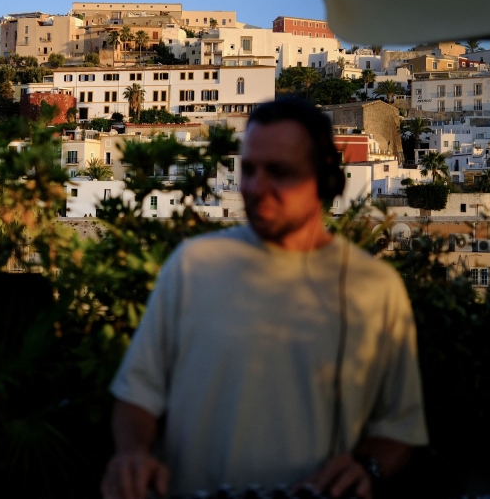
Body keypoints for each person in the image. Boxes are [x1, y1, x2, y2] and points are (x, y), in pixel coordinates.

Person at [102, 97, 427, 499]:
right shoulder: (192, 266)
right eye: (250, 170)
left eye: (279, 172)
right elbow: (138, 394)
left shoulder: (375, 287)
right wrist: (132, 453)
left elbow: (400, 429)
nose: (256, 188)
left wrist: (367, 465)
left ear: (326, 179)